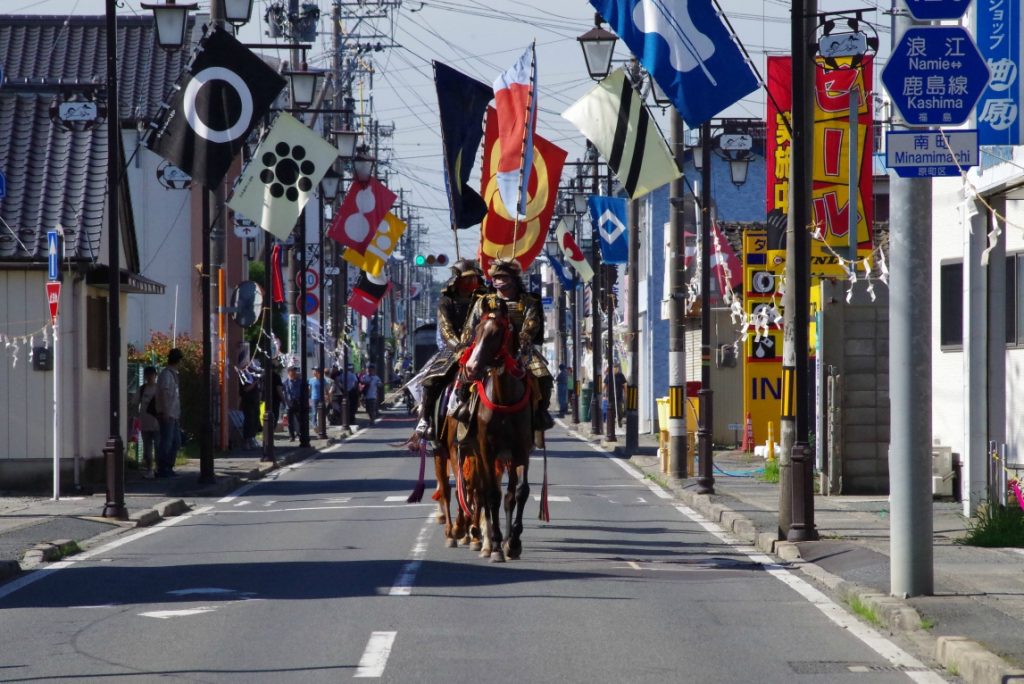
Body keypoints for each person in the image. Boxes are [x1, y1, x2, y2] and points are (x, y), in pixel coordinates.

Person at [458, 259, 554, 430]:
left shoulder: (528, 301)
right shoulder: (484, 301)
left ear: (513, 279)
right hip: (487, 349)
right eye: (495, 277)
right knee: (465, 372)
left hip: (518, 350)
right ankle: (463, 407)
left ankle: (540, 413)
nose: (497, 280)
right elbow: (470, 327)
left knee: (544, 376)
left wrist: (520, 343)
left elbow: (531, 325)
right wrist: (467, 345)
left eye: (502, 276)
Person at [413, 259, 490, 438]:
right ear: (457, 281)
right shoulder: (446, 302)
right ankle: (426, 420)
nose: (471, 283)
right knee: (431, 380)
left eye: (474, 279)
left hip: (482, 347)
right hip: (454, 349)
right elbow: (446, 329)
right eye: (467, 279)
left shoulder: (485, 300)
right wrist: (459, 347)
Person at [155, 348, 183, 478]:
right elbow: (164, 393)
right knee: (167, 440)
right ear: (178, 361)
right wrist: (165, 411)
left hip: (174, 413)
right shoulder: (166, 374)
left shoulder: (174, 374)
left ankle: (169, 466)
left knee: (176, 441)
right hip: (167, 413)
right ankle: (162, 467)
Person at [137, 366, 159, 479]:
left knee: (159, 447)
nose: (150, 377)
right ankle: (150, 470)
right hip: (145, 423)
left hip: (158, 424)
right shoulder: (142, 389)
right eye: (148, 375)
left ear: (155, 375)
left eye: (152, 375)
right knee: (147, 449)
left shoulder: (159, 389)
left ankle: (159, 469)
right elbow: (134, 403)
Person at [283, 365, 304, 441]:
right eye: (293, 371)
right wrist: (285, 402)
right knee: (290, 421)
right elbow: (284, 393)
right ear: (289, 372)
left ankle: (300, 434)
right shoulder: (285, 383)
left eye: (295, 371)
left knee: (299, 420)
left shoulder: (300, 381)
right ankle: (291, 436)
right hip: (289, 403)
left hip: (298, 402)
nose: (295, 372)